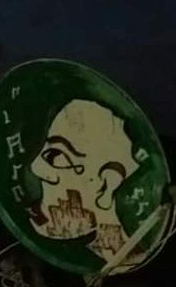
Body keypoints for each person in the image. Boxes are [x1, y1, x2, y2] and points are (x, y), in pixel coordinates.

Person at [29, 99, 139, 262]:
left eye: (54, 156)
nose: (35, 168)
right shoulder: (35, 237)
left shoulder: (125, 258)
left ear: (108, 182)